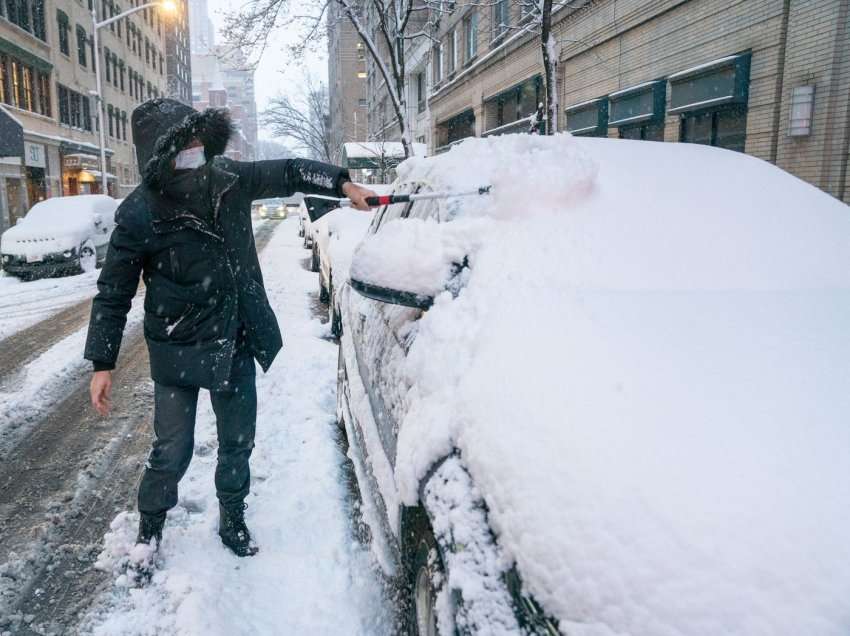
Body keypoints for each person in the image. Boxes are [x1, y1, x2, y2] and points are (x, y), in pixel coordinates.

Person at [84, 98, 375, 559]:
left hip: (235, 335)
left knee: (238, 441)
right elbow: (113, 293)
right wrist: (103, 362)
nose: (197, 149)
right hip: (176, 345)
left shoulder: (230, 181)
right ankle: (150, 527)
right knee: (172, 451)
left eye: (200, 140)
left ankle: (233, 515)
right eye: (186, 144)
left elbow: (292, 171)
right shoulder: (139, 213)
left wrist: (342, 182)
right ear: (163, 154)